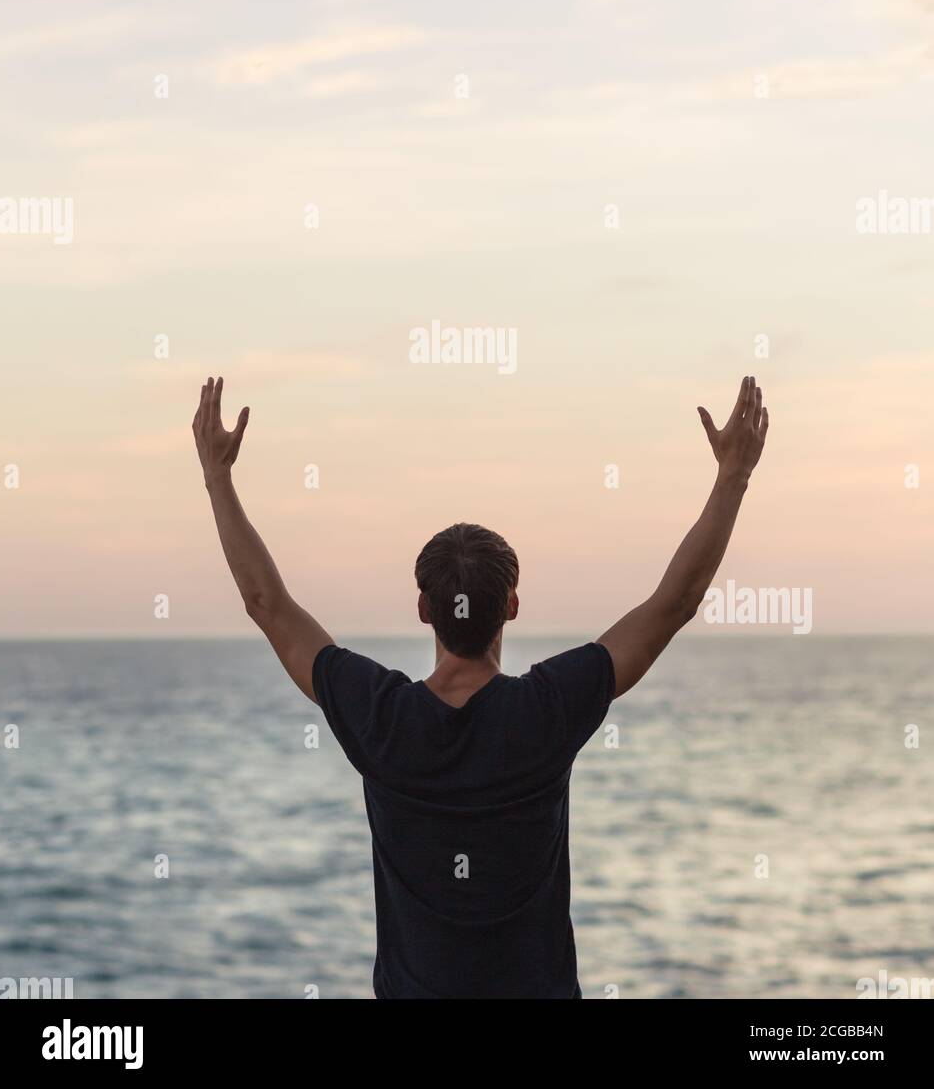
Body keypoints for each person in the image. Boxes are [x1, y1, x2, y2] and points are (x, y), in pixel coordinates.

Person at [193, 373, 768, 999]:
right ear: (512, 605)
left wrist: (217, 475)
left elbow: (266, 603)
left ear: (423, 608)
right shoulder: (547, 711)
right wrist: (733, 474)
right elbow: (674, 602)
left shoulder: (380, 717)